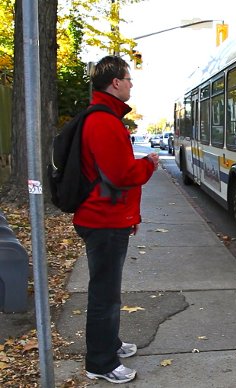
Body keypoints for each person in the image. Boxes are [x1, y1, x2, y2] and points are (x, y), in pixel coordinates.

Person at [73, 55, 159, 384]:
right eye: (129, 78)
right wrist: (149, 164)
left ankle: (109, 344)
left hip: (108, 217)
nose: (131, 84)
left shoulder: (104, 117)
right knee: (105, 295)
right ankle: (100, 363)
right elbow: (121, 174)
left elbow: (109, 175)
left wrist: (130, 216)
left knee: (108, 291)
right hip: (103, 221)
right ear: (115, 83)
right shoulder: (104, 121)